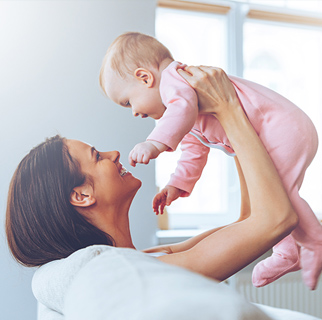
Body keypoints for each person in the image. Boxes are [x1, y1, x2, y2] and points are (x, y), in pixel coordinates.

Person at [6, 67, 298, 286]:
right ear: (81, 195)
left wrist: (228, 129)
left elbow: (248, 221)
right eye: (97, 156)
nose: (114, 154)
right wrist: (229, 107)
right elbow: (276, 220)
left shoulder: (145, 257)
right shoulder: (134, 273)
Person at [99, 32, 321, 290]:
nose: (135, 112)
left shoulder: (176, 80)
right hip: (282, 130)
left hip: (282, 128)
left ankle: (308, 244)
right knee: (279, 193)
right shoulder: (186, 105)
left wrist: (153, 143)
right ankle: (293, 249)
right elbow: (194, 147)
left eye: (127, 102)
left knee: (280, 194)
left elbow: (181, 110)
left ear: (145, 77)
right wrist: (178, 183)